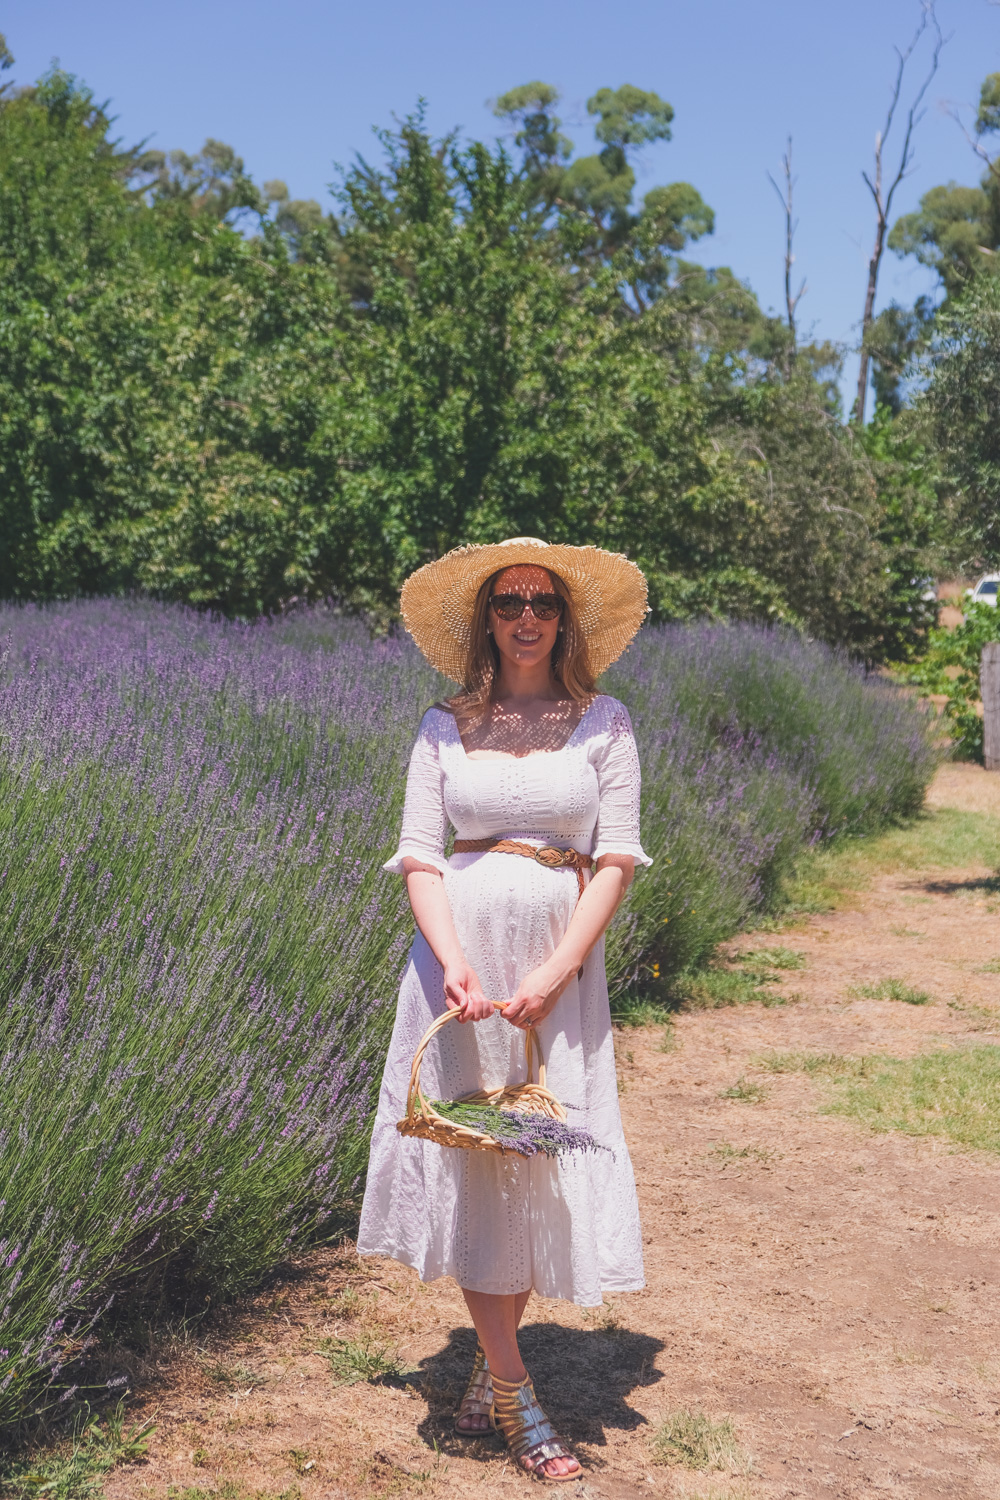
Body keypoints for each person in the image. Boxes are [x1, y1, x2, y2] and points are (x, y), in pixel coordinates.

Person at [358, 536, 651, 1483]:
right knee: (483, 1155)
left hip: (557, 980)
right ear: (485, 620)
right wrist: (452, 965)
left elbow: (615, 860)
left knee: (534, 1152)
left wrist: (560, 971)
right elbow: (418, 853)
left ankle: (488, 1374)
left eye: (543, 603)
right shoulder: (444, 725)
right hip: (462, 973)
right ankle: (519, 1394)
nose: (526, 617)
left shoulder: (606, 723)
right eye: (508, 602)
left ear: (566, 620)